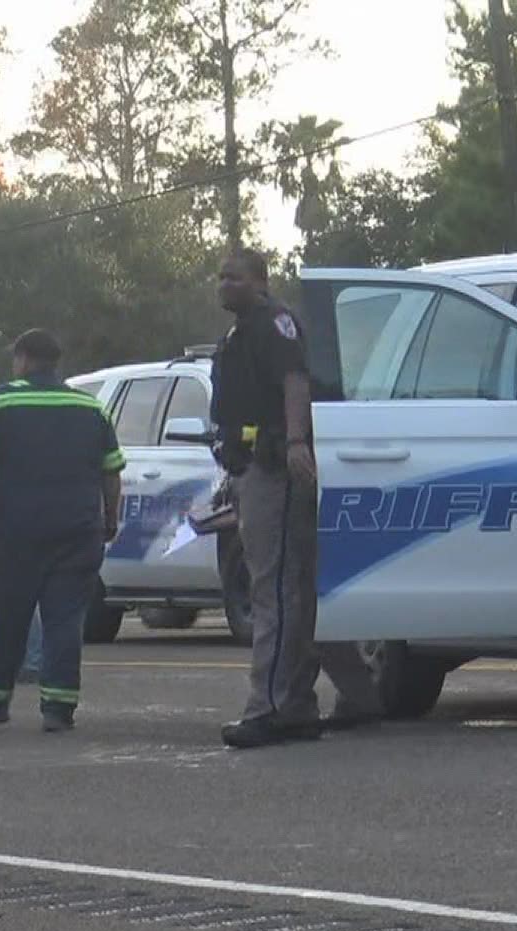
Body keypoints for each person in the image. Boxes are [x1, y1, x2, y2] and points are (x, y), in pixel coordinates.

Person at [210, 247, 385, 750]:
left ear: (260, 281)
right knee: (294, 588)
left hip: (274, 468)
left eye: (234, 278)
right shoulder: (240, 331)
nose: (224, 285)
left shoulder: (275, 323)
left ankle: (268, 707)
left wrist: (293, 442)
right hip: (250, 469)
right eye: (220, 277)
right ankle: (308, 704)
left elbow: (294, 382)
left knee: (277, 591)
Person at [0, 330, 124, 733]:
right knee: (65, 620)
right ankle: (58, 708)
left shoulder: (1, 400)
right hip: (78, 530)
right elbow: (112, 472)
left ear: (23, 360)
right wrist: (109, 517)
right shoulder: (90, 406)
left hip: (12, 531)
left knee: (8, 616)